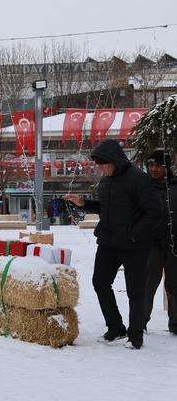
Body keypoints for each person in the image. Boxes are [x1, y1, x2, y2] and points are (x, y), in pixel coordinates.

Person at [64, 139, 161, 349]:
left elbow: (154, 212)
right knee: (99, 282)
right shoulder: (106, 180)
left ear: (115, 161)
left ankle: (135, 337)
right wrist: (84, 203)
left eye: (103, 164)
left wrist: (134, 234)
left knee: (135, 291)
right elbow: (107, 208)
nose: (101, 168)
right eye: (99, 164)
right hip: (108, 241)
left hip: (134, 245)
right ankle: (116, 327)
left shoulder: (139, 179)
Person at [143, 150, 177, 335]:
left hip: (174, 246)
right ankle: (140, 322)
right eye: (151, 165)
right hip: (151, 246)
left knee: (174, 286)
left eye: (158, 165)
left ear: (167, 168)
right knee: (147, 285)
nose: (153, 169)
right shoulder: (143, 187)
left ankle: (176, 324)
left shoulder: (175, 186)